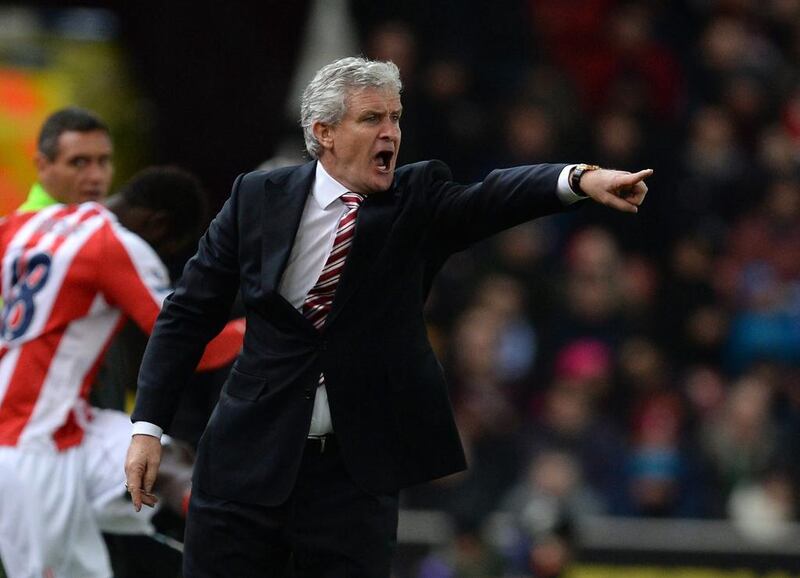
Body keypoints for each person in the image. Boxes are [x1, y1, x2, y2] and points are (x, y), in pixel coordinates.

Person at [125, 56, 651, 578]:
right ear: (324, 132)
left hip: (351, 482)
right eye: (372, 118)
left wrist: (579, 179)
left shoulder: (414, 201)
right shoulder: (257, 197)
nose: (390, 133)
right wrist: (149, 427)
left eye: (395, 118)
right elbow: (188, 313)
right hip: (245, 464)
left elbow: (491, 198)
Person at [0, 167, 244, 578]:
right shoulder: (118, 244)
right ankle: (236, 548)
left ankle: (232, 543)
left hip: (69, 428)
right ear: (157, 225)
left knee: (161, 451)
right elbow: (185, 345)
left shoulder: (27, 222)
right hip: (30, 450)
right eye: (168, 248)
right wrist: (258, 328)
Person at [21, 106, 114, 212]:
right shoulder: (22, 227)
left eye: (103, 161)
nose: (96, 176)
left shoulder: (114, 223)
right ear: (42, 166)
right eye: (79, 163)